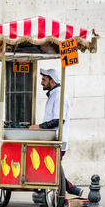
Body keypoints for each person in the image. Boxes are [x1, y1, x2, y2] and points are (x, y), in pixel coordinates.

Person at [30, 68, 82, 196]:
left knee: (52, 169)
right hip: (50, 139)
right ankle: (42, 191)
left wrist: (40, 127)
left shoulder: (59, 95)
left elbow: (59, 120)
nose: (42, 83)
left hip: (57, 139)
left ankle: (71, 189)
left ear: (52, 81)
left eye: (44, 80)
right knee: (49, 168)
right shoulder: (54, 94)